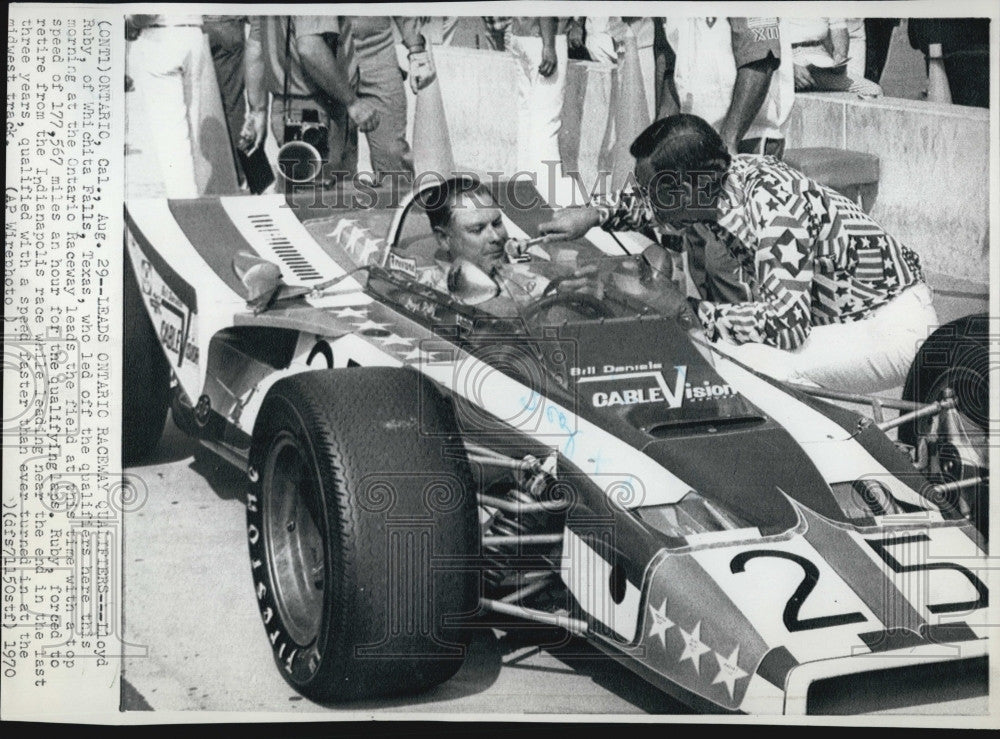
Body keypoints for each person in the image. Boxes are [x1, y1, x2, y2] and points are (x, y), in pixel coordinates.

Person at [537, 115, 938, 394]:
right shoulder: (718, 183)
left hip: (888, 325)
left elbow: (785, 326)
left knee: (757, 368)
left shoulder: (775, 210)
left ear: (694, 186)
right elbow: (652, 206)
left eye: (653, 190)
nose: (643, 201)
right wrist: (595, 213)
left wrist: (683, 308)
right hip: (841, 320)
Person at [411, 177, 601, 314]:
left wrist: (578, 297)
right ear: (444, 238)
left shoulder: (524, 275)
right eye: (477, 229)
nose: (496, 237)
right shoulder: (423, 288)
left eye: (497, 223)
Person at [242, 15, 378, 187]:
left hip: (289, 108)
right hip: (319, 111)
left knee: (303, 200)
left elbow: (256, 46)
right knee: (323, 204)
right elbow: (310, 47)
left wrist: (257, 110)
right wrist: (352, 102)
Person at [787, 17, 882, 96]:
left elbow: (839, 27)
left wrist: (839, 58)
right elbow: (772, 37)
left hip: (818, 56)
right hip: (785, 57)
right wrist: (789, 66)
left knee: (873, 92)